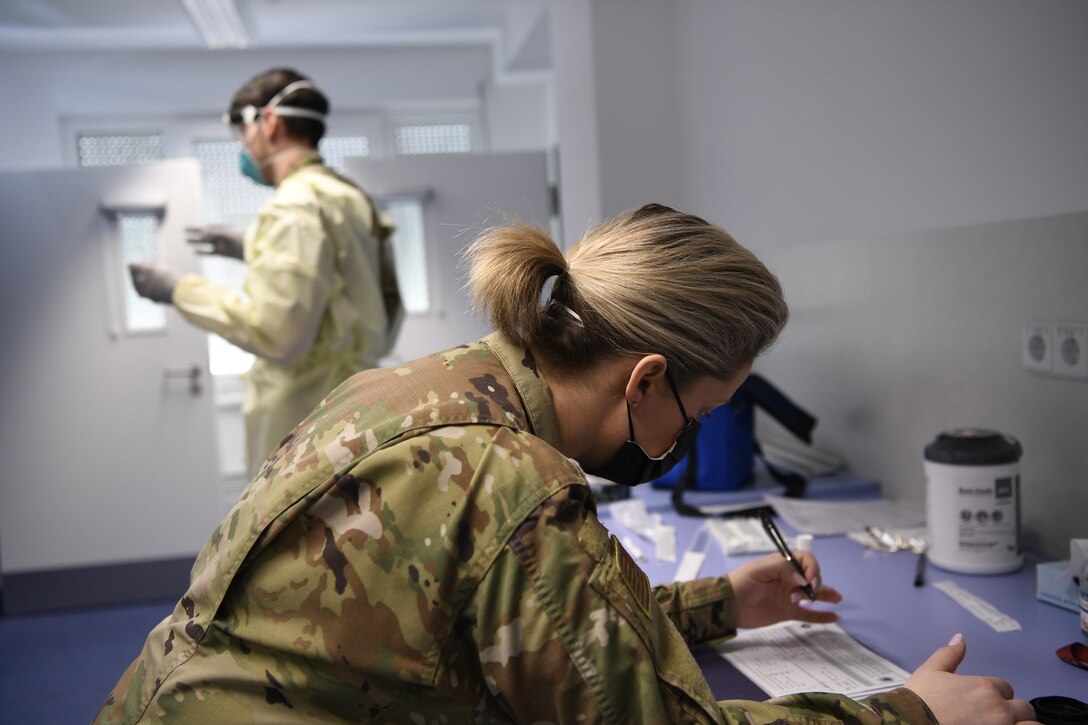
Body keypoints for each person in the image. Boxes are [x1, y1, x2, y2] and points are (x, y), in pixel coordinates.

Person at [100, 204, 1036, 724]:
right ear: (647, 379)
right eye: (701, 412)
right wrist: (913, 714)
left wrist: (722, 602)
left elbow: (506, 619)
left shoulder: (423, 388)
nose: (692, 436)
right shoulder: (514, 482)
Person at [130, 67, 404, 476]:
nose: (244, 148)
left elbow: (278, 334)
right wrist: (251, 249)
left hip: (305, 425)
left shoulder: (293, 206)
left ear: (268, 122)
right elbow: (365, 295)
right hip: (358, 407)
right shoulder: (346, 196)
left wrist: (178, 289)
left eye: (242, 133)